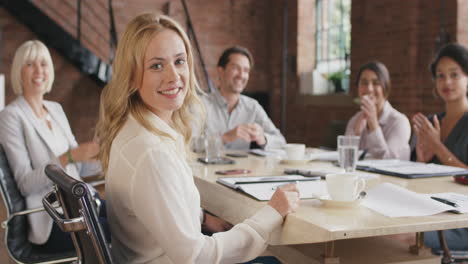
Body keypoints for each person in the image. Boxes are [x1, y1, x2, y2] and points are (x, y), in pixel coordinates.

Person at [95, 12, 300, 263]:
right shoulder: (152, 152)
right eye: (156, 65)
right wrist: (272, 212)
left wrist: (202, 218)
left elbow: (157, 205)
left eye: (179, 61)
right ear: (132, 75)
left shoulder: (136, 129)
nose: (174, 76)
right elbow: (196, 256)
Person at [0, 40, 102, 252]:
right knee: (120, 237)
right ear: (19, 71)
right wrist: (69, 156)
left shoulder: (55, 109)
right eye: (30, 64)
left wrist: (104, 158)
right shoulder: (11, 116)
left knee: (131, 220)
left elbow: (79, 168)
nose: (38, 70)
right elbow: (25, 184)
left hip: (83, 204)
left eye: (44, 64)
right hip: (54, 219)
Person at [412, 43, 468, 252]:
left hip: (461, 220)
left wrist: (438, 147)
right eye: (440, 75)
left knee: (402, 237)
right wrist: (422, 161)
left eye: (455, 75)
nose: (447, 82)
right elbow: (417, 182)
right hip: (430, 209)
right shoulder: (432, 121)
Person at [201, 46, 286, 150]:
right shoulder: (200, 104)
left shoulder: (253, 107)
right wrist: (224, 138)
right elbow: (188, 145)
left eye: (246, 70)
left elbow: (281, 141)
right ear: (221, 71)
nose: (241, 75)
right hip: (207, 166)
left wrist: (263, 139)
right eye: (236, 68)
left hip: (242, 166)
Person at [345, 61, 411, 160]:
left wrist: (373, 124)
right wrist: (356, 133)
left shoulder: (399, 122)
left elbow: (388, 160)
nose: (369, 89)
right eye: (364, 83)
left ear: (386, 88)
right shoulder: (354, 120)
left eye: (376, 83)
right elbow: (344, 159)